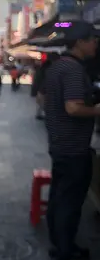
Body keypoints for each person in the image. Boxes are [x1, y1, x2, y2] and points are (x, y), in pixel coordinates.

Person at [42, 21, 100, 260]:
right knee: (70, 202)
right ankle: (65, 251)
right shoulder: (74, 69)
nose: (96, 44)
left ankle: (60, 244)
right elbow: (73, 108)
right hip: (73, 147)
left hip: (59, 143)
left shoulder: (56, 66)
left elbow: (43, 99)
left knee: (59, 197)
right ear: (80, 43)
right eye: (92, 39)